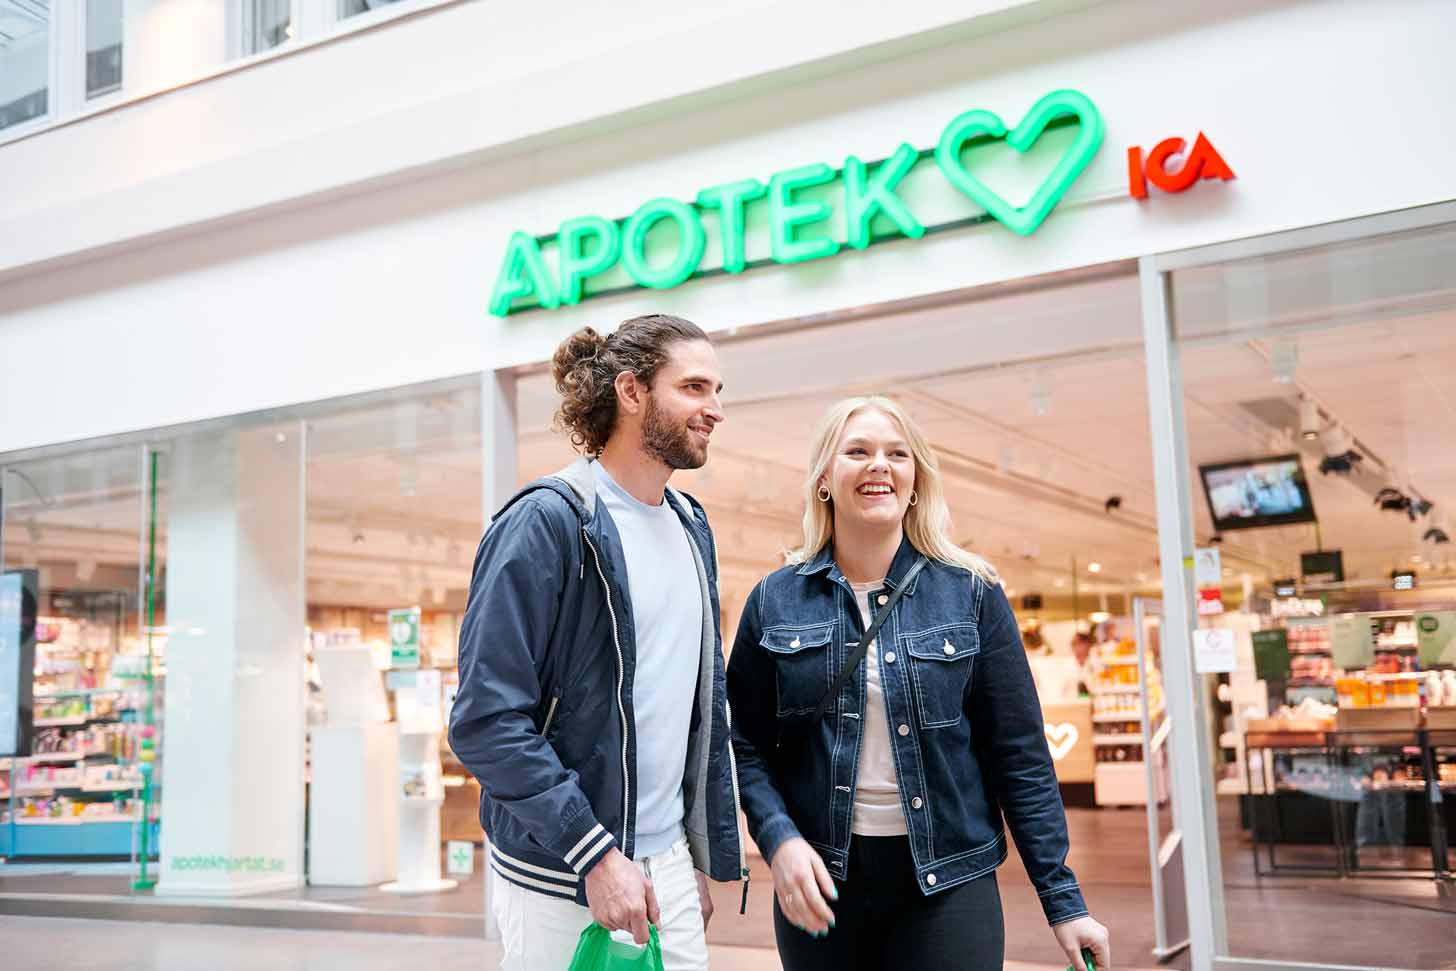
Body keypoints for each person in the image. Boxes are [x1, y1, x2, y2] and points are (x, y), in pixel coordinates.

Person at [726, 395, 1111, 971]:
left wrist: (1063, 901)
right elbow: (746, 744)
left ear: (915, 481)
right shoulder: (775, 600)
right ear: (825, 478)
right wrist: (778, 840)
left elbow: (1021, 756)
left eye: (896, 454)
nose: (879, 464)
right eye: (857, 451)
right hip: (821, 883)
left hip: (950, 882)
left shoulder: (972, 592)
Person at [448, 314, 745, 971]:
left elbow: (696, 708)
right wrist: (595, 852)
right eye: (694, 387)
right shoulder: (547, 522)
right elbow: (484, 719)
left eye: (717, 389)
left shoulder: (691, 526)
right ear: (632, 391)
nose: (715, 409)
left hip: (665, 870)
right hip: (567, 872)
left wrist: (689, 854)